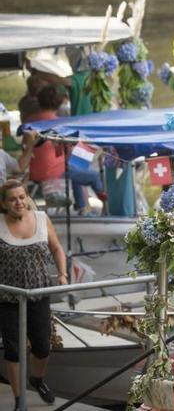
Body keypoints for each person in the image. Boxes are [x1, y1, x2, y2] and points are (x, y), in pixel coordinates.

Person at [0, 180, 68, 411]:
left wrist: (63, 274)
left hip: (39, 293)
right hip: (9, 297)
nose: (18, 202)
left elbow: (57, 248)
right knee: (13, 350)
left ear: (27, 196)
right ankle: (20, 400)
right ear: (4, 203)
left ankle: (36, 379)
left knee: (42, 347)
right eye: (12, 199)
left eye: (21, 197)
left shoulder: (41, 218)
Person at [28, 85, 106, 214]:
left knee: (76, 171)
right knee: (92, 175)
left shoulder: (30, 120)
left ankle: (81, 207)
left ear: (39, 101)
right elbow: (69, 150)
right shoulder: (61, 124)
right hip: (53, 172)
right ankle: (104, 203)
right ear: (59, 103)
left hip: (35, 170)